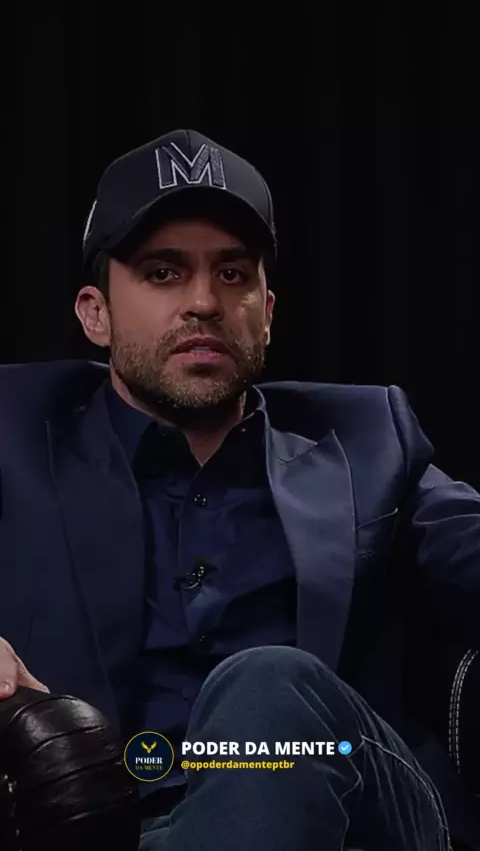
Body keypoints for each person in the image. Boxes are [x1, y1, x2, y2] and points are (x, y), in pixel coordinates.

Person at [0, 128, 478, 851]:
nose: (203, 301)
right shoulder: (14, 432)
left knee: (269, 685)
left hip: (349, 800)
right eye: (163, 272)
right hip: (107, 829)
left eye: (232, 273)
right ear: (96, 313)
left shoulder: (368, 440)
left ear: (268, 310)